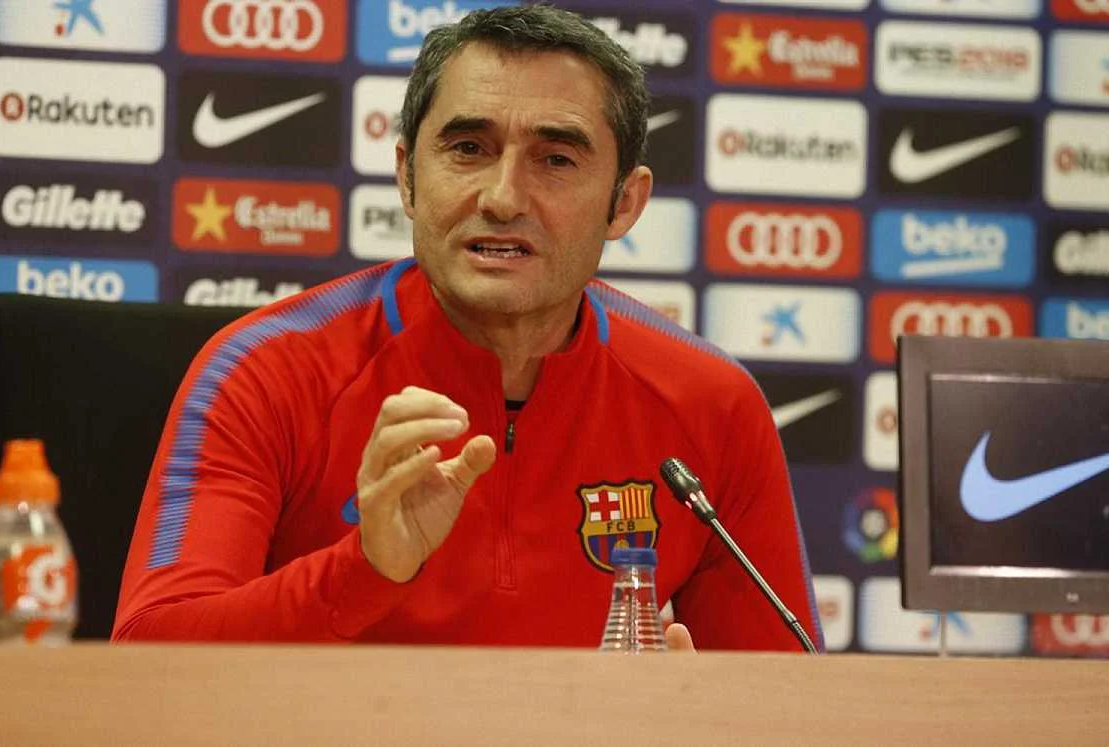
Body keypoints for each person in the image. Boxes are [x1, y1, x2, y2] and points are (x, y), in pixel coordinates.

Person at [112, 5, 821, 651]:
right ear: (407, 176)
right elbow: (148, 654)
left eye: (556, 159)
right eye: (468, 149)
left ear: (624, 203)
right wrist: (364, 570)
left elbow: (786, 696)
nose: (503, 197)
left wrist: (693, 714)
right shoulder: (264, 372)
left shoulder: (712, 404)